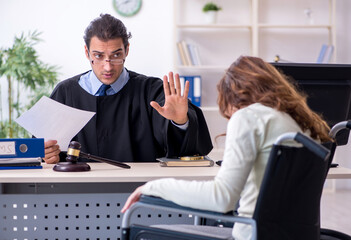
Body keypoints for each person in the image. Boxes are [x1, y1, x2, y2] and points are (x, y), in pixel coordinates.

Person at [121, 56, 332, 239]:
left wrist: (153, 186)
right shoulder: (303, 125)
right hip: (286, 235)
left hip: (250, 233)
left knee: (141, 227)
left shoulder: (248, 117)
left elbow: (221, 198)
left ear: (234, 97)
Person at [43, 13, 213, 164]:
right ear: (87, 53)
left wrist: (180, 122)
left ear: (127, 50)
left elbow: (185, 150)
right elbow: (43, 148)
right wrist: (48, 154)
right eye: (99, 56)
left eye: (116, 55)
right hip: (77, 191)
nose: (108, 67)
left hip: (140, 190)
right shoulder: (66, 93)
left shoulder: (152, 92)